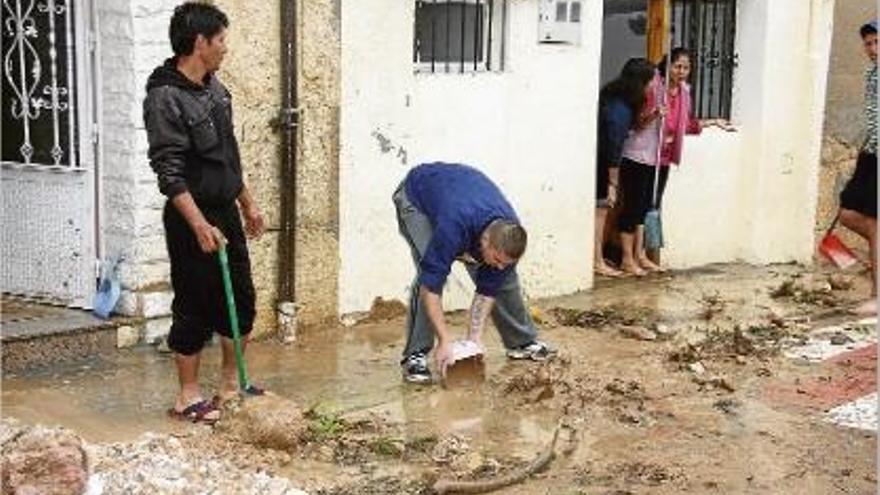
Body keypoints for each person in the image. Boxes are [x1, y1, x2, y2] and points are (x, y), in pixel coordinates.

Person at [143, 2, 265, 423]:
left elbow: (228, 155)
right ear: (200, 43)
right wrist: (198, 224)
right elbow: (169, 171)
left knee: (242, 299)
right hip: (189, 215)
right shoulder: (164, 96)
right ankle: (187, 397)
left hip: (224, 208)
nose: (225, 48)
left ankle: (232, 384)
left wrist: (247, 203)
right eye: (221, 40)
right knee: (194, 304)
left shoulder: (215, 88)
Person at [393, 163, 555, 384]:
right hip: (417, 196)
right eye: (497, 259)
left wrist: (474, 340)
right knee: (429, 273)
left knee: (504, 279)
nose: (499, 265)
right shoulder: (453, 228)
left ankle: (521, 342)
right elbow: (430, 288)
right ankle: (416, 355)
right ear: (484, 242)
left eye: (504, 262)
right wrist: (444, 340)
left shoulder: (507, 232)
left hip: (462, 194)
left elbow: (488, 290)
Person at [595, 58, 657, 277]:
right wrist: (613, 180)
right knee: (601, 210)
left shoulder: (614, 98)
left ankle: (600, 259)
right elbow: (613, 145)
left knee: (603, 210)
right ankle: (597, 261)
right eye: (650, 81)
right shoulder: (619, 108)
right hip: (603, 161)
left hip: (603, 158)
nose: (652, 86)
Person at [838, 20, 877, 316]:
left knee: (875, 223)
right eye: (868, 43)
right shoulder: (871, 74)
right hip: (870, 152)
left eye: (877, 42)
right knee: (848, 213)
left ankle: (878, 296)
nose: (873, 49)